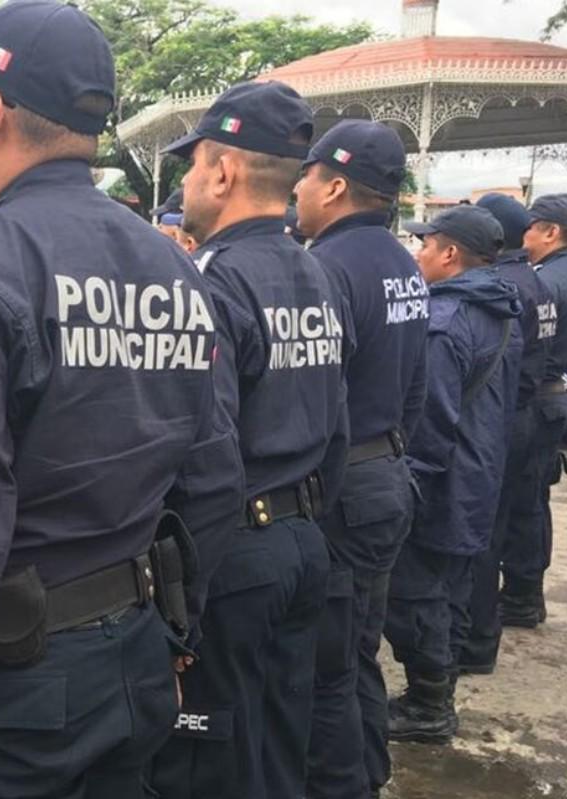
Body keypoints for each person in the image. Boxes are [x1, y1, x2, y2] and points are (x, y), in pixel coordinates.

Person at [0, 3, 244, 798]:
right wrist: (175, 628)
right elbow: (211, 475)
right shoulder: (172, 267)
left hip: (18, 695)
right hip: (133, 656)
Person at [150, 80, 350, 799]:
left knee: (210, 762)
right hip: (301, 539)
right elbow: (338, 425)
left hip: (233, 555)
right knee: (279, 743)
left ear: (224, 171)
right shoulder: (315, 271)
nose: (186, 183)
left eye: (192, 165)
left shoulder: (212, 280)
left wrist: (181, 609)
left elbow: (206, 460)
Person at [293, 120, 430, 799]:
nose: (296, 189)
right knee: (357, 648)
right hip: (388, 474)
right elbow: (416, 389)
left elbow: (319, 400)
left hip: (344, 487)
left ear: (335, 186)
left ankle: (342, 783)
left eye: (306, 176)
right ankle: (370, 771)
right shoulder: (403, 262)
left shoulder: (327, 267)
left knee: (327, 666)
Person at [385, 206, 522, 746]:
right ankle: (437, 692)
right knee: (451, 589)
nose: (418, 253)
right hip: (479, 472)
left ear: (450, 254)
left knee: (416, 595)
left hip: (444, 482)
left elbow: (428, 421)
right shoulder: (499, 307)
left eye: (426, 244)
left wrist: (407, 485)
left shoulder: (444, 321)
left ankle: (429, 705)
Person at [459, 193, 555, 675]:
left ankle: (475, 642)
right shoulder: (533, 281)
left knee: (480, 537)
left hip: (502, 421)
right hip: (526, 415)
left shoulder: (502, 286)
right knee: (505, 523)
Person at [502, 194, 567, 626]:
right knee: (533, 498)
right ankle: (526, 591)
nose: (523, 237)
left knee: (522, 503)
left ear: (551, 232)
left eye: (530, 228)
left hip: (537, 399)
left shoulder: (548, 282)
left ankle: (521, 595)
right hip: (552, 399)